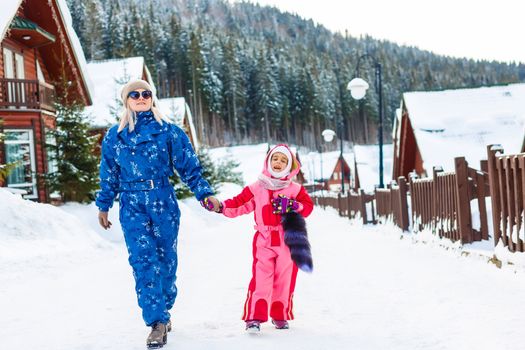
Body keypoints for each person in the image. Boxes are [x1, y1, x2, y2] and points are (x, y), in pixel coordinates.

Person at [95, 79, 220, 349]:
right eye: (135, 94)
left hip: (163, 201)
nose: (141, 97)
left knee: (166, 263)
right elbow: (108, 175)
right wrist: (104, 204)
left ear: (152, 98)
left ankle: (164, 308)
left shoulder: (169, 132)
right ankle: (156, 322)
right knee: (143, 262)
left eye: (146, 93)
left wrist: (204, 193)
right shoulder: (114, 137)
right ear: (126, 101)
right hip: (131, 205)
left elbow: (190, 169)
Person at [206, 144, 314, 333]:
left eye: (283, 160)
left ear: (289, 166)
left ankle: (280, 315)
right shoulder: (256, 187)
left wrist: (291, 205)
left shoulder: (295, 189)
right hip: (264, 239)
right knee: (261, 278)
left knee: (284, 278)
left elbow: (308, 207)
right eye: (275, 159)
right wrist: (220, 207)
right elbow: (239, 203)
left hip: (287, 240)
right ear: (268, 161)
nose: (278, 163)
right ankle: (254, 317)